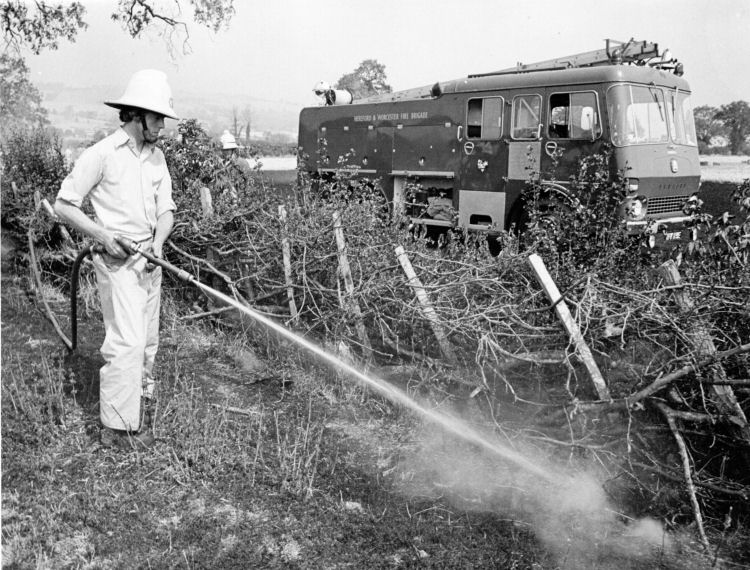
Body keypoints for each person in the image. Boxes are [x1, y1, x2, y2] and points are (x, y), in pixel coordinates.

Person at [54, 69, 178, 450]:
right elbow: (63, 204)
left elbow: (166, 210)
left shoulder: (157, 159)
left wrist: (158, 243)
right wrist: (103, 236)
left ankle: (141, 405)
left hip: (149, 260)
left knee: (149, 341)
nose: (162, 125)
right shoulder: (103, 154)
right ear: (136, 115)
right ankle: (118, 428)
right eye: (157, 118)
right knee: (127, 342)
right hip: (117, 260)